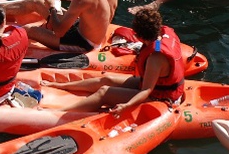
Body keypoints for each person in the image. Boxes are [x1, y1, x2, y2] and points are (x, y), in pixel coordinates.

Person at [50, 8, 185, 114]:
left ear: (139, 35)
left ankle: (60, 112)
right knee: (106, 80)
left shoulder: (155, 58)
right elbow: (156, 48)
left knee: (104, 92)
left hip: (161, 97)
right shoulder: (162, 36)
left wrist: (126, 106)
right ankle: (62, 86)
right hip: (155, 86)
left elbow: (146, 90)